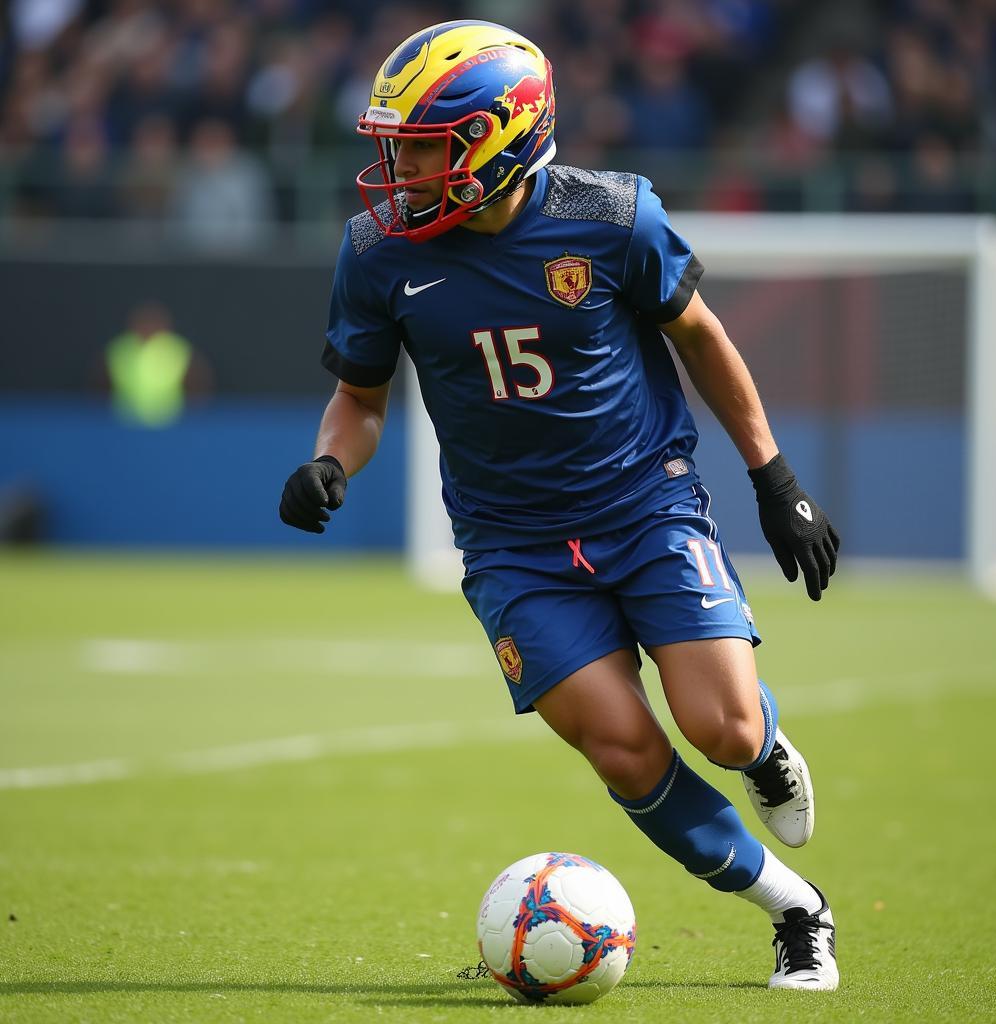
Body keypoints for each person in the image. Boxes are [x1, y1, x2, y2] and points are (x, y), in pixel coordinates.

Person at [280, 21, 841, 992]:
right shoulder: (377, 253)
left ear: (498, 138)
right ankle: (796, 908)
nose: (400, 169)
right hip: (510, 542)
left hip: (642, 500)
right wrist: (332, 461)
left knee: (723, 728)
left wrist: (773, 476)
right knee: (622, 746)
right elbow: (360, 400)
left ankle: (763, 743)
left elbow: (700, 336)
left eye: (420, 145)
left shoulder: (613, 217)